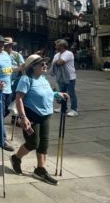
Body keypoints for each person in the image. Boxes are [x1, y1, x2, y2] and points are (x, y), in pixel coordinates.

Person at [10, 54, 69, 185]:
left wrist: (57, 94)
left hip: (46, 114)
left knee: (44, 143)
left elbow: (48, 92)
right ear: (33, 67)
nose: (45, 65)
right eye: (41, 64)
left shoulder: (43, 79)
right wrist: (22, 117)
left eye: (45, 64)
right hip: (32, 115)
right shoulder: (26, 79)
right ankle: (16, 158)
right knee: (32, 142)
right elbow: (19, 98)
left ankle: (40, 169)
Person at [51, 39, 78, 117]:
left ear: (62, 46)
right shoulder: (56, 55)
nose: (55, 46)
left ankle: (74, 109)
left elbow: (60, 62)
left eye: (57, 45)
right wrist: (56, 62)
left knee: (71, 94)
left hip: (70, 77)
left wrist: (57, 62)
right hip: (60, 77)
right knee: (62, 93)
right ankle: (63, 108)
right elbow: (54, 63)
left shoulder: (68, 53)